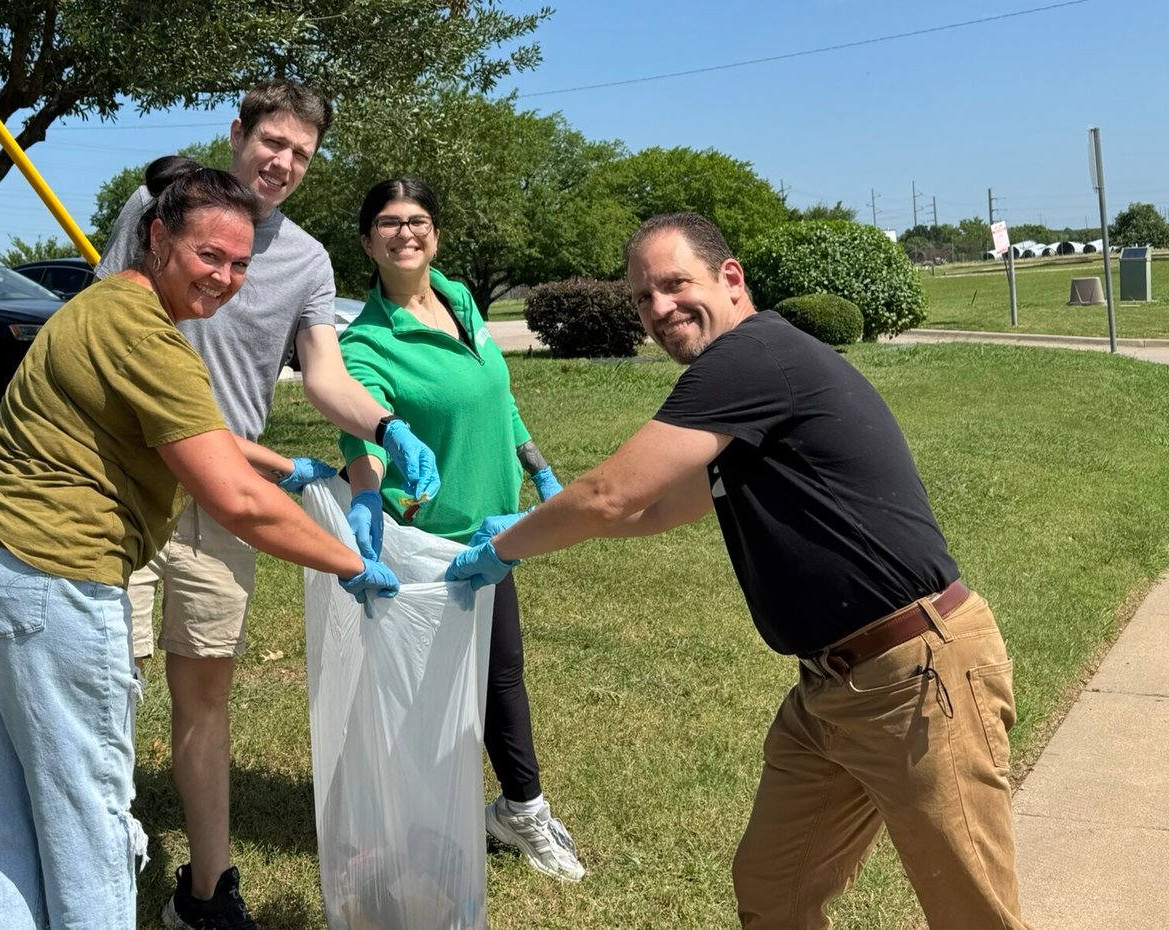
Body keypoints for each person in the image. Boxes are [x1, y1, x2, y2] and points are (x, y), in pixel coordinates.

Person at [447, 212, 1031, 929]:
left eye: (673, 284)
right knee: (774, 888)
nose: (659, 309)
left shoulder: (752, 358)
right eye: (642, 297)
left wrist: (506, 550)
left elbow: (611, 496)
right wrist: (536, 527)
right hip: (831, 689)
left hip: (915, 677)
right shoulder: (748, 388)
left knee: (972, 912)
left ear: (730, 278)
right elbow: (656, 510)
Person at [0, 158, 399, 930]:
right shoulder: (151, 339)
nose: (227, 278)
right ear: (158, 235)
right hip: (44, 579)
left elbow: (199, 441)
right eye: (210, 256)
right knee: (89, 828)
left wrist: (286, 463)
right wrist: (356, 566)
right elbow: (234, 501)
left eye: (240, 264)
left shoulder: (97, 306)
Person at [93, 80, 441, 929]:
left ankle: (206, 893)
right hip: (127, 483)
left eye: (301, 155)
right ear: (238, 133)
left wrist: (386, 425)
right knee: (109, 686)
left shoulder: (309, 262)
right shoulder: (160, 206)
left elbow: (325, 376)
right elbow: (103, 324)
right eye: (271, 142)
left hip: (226, 503)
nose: (282, 163)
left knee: (204, 698)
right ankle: (93, 877)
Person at [337, 177, 584, 883]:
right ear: (366, 241)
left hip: (495, 533)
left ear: (436, 234)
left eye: (417, 221)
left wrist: (538, 469)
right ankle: (410, 823)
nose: (405, 232)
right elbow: (363, 429)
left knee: (500, 677)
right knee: (426, 691)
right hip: (433, 547)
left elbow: (496, 399)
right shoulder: (368, 342)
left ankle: (518, 811)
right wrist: (366, 481)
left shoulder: (460, 299)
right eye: (388, 222)